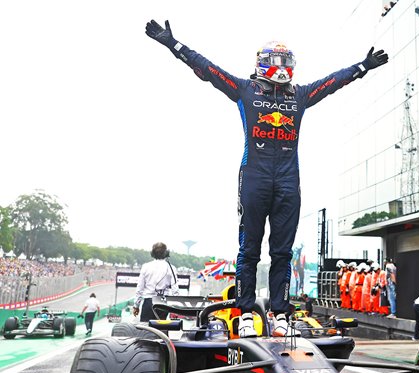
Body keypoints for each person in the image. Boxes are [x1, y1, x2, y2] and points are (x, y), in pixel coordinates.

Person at [145, 20, 388, 337]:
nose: (281, 67)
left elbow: (331, 83)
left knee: (282, 253)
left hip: (289, 181)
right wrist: (173, 45)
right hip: (255, 178)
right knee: (249, 251)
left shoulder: (299, 96)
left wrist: (362, 67)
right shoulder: (245, 90)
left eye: (286, 62)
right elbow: (208, 70)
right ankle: (245, 312)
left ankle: (280, 314)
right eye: (275, 62)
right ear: (261, 64)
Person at [133, 242, 180, 322]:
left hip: (148, 302)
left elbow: (140, 289)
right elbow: (175, 290)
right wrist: (176, 308)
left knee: (145, 330)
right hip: (163, 303)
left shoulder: (145, 267)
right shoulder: (171, 268)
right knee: (162, 330)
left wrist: (136, 306)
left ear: (152, 253)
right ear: (166, 253)